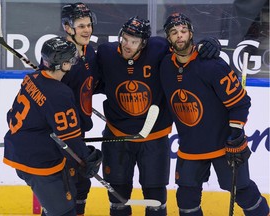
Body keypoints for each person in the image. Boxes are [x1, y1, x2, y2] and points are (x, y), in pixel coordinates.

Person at [95, 16, 221, 216]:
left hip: (154, 138)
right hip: (117, 137)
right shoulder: (106, 53)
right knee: (118, 200)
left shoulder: (159, 49)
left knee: (155, 201)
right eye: (125, 38)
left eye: (134, 41)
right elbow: (87, 80)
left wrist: (208, 43)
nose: (128, 45)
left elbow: (183, 46)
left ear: (144, 43)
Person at [159, 12, 269, 216]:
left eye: (183, 31)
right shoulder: (165, 66)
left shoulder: (212, 64)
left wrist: (236, 133)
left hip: (224, 146)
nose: (179, 36)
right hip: (190, 148)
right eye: (174, 32)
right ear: (168, 38)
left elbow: (241, 102)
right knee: (186, 201)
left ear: (191, 33)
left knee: (243, 192)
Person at [3, 36, 102, 216]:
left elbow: (12, 115)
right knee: (65, 212)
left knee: (56, 207)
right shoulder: (60, 93)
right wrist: (86, 158)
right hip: (40, 164)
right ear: (62, 65)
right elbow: (70, 137)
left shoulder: (31, 78)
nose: (73, 63)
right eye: (71, 60)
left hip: (20, 153)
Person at [59, 3, 98, 215]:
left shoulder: (88, 52)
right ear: (67, 28)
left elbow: (93, 82)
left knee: (82, 185)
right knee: (63, 189)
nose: (87, 30)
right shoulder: (59, 55)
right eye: (81, 25)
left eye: (89, 25)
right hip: (61, 136)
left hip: (79, 132)